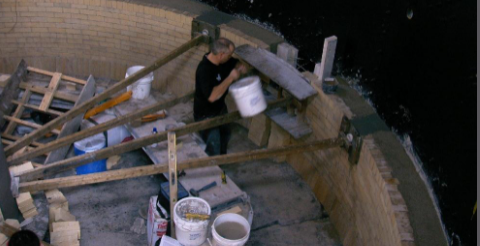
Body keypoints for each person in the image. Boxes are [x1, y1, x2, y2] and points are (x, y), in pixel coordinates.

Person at [194, 38, 247, 156]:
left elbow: (234, 62)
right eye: (229, 55)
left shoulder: (224, 61)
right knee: (213, 145)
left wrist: (240, 66)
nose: (230, 57)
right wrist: (230, 78)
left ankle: (221, 162)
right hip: (205, 115)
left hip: (220, 110)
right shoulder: (204, 70)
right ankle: (212, 169)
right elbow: (212, 97)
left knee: (225, 135)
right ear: (221, 55)